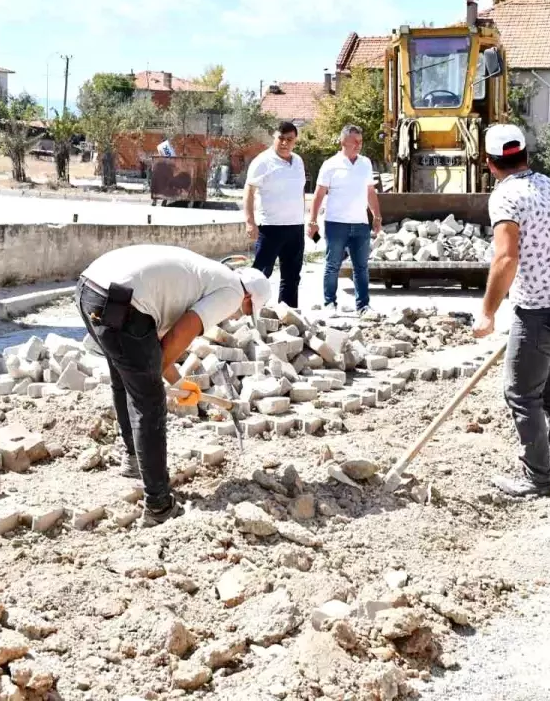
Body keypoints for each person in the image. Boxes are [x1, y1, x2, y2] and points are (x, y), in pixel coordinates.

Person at [77, 245, 271, 526]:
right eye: (246, 311)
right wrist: (153, 380)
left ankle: (133, 460)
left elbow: (151, 346)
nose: (238, 317)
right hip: (121, 301)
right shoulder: (232, 292)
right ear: (249, 297)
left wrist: (178, 382)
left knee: (125, 378)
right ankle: (158, 505)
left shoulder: (205, 275)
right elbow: (183, 332)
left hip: (91, 289)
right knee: (150, 402)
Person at [473, 124, 550, 498]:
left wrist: (488, 312)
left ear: (490, 164)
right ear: (526, 155)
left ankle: (537, 478)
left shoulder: (505, 197)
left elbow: (505, 258)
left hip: (538, 315)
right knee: (549, 387)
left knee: (522, 394)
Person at [308, 124, 382, 312]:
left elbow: (370, 191)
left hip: (360, 225)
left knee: (361, 267)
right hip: (336, 224)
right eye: (354, 141)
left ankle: (363, 305)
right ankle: (329, 303)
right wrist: (313, 221)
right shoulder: (330, 165)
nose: (358, 145)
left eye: (360, 141)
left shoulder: (365, 163)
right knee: (333, 265)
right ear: (343, 142)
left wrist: (377, 216)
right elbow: (319, 194)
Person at [245, 122, 307, 307]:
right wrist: (250, 222)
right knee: (260, 275)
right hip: (270, 228)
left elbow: (300, 190)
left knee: (292, 275)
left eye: (289, 139)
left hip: (295, 227)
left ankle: (287, 314)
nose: (284, 143)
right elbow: (249, 192)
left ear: (295, 141)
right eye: (281, 138)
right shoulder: (262, 162)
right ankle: (250, 313)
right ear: (274, 137)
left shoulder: (298, 161)